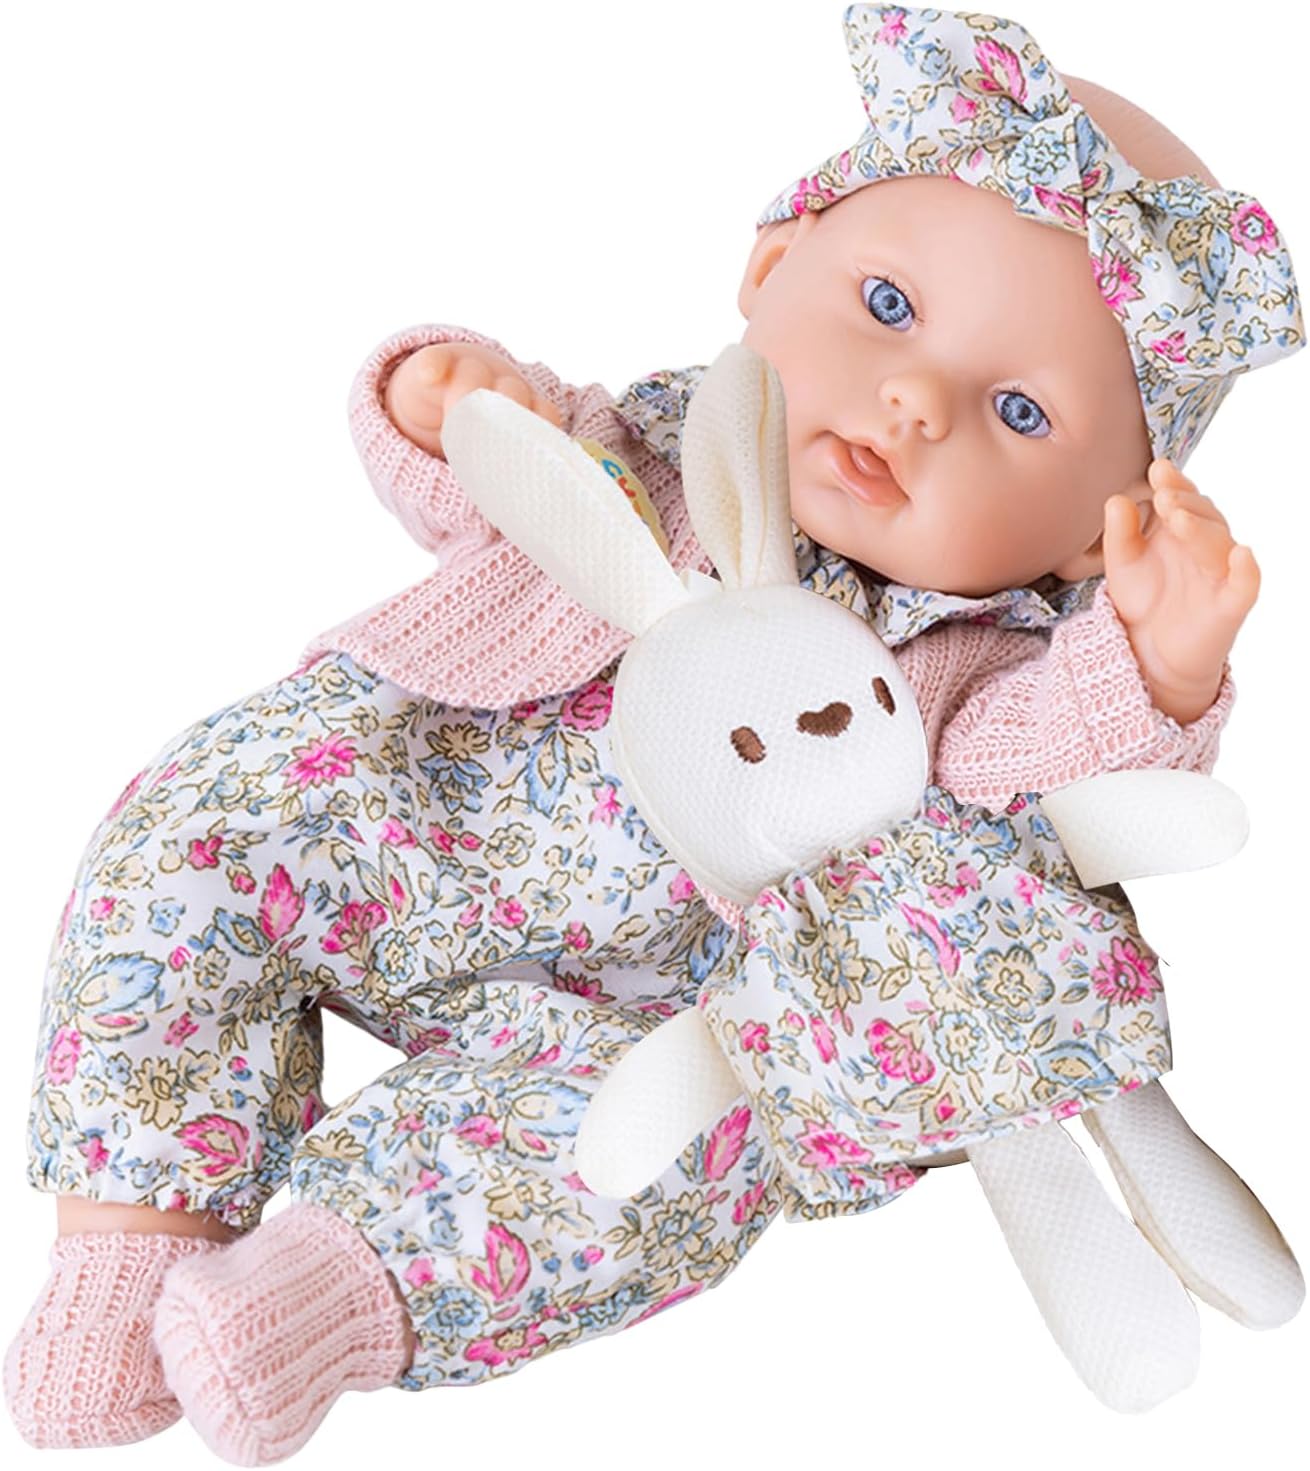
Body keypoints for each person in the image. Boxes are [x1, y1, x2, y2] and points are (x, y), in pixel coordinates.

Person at [6, 6, 1302, 1463]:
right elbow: (497, 474)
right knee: (204, 832)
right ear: (770, 266)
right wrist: (444, 397)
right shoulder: (664, 453)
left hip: (672, 1002)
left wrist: (1159, 658)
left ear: (1087, 541)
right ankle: (134, 1233)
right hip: (424, 821)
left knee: (681, 1148)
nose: (913, 402)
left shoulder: (983, 662)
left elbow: (1056, 761)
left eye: (1016, 410)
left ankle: (319, 1293)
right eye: (888, 305)